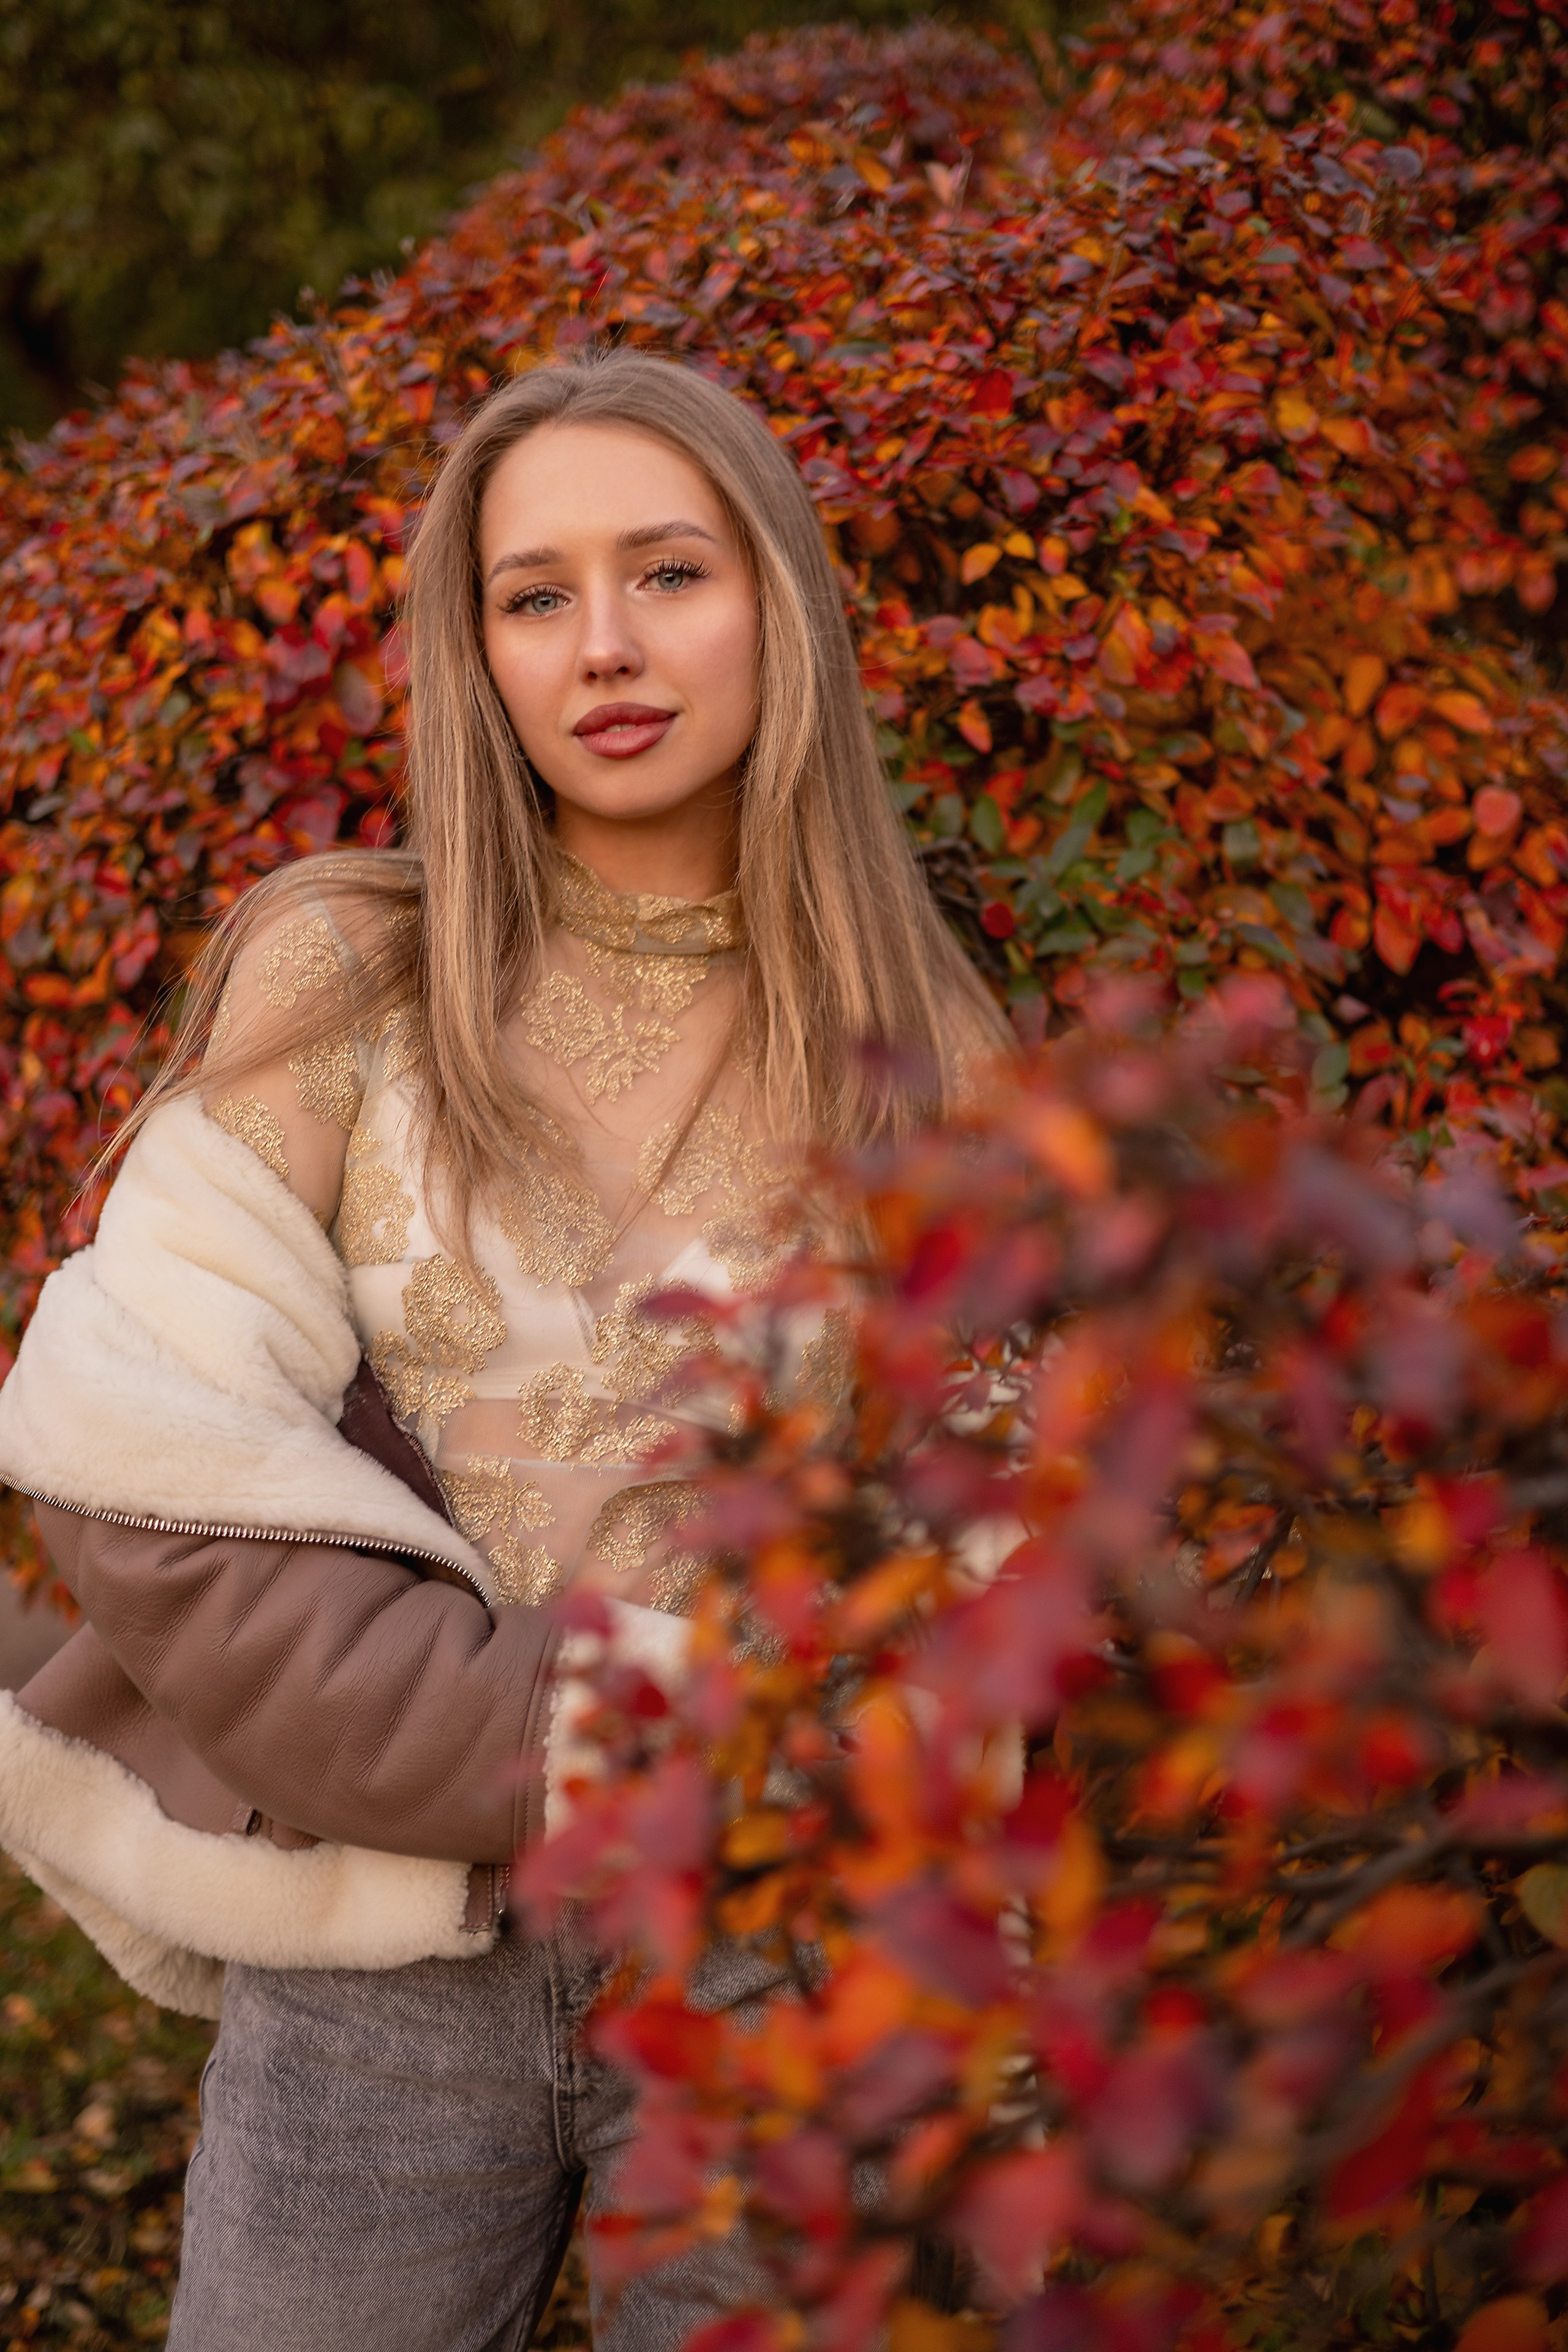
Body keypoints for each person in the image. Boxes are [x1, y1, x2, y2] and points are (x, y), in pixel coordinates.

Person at [0, 352, 1007, 2350]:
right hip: (378, 1950)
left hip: (775, 1969)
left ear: (778, 604)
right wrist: (573, 1740)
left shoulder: (935, 1048)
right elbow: (138, 1445)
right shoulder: (347, 972)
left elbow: (998, 1550)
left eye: (669, 573)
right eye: (534, 594)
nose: (605, 647)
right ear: (473, 650)